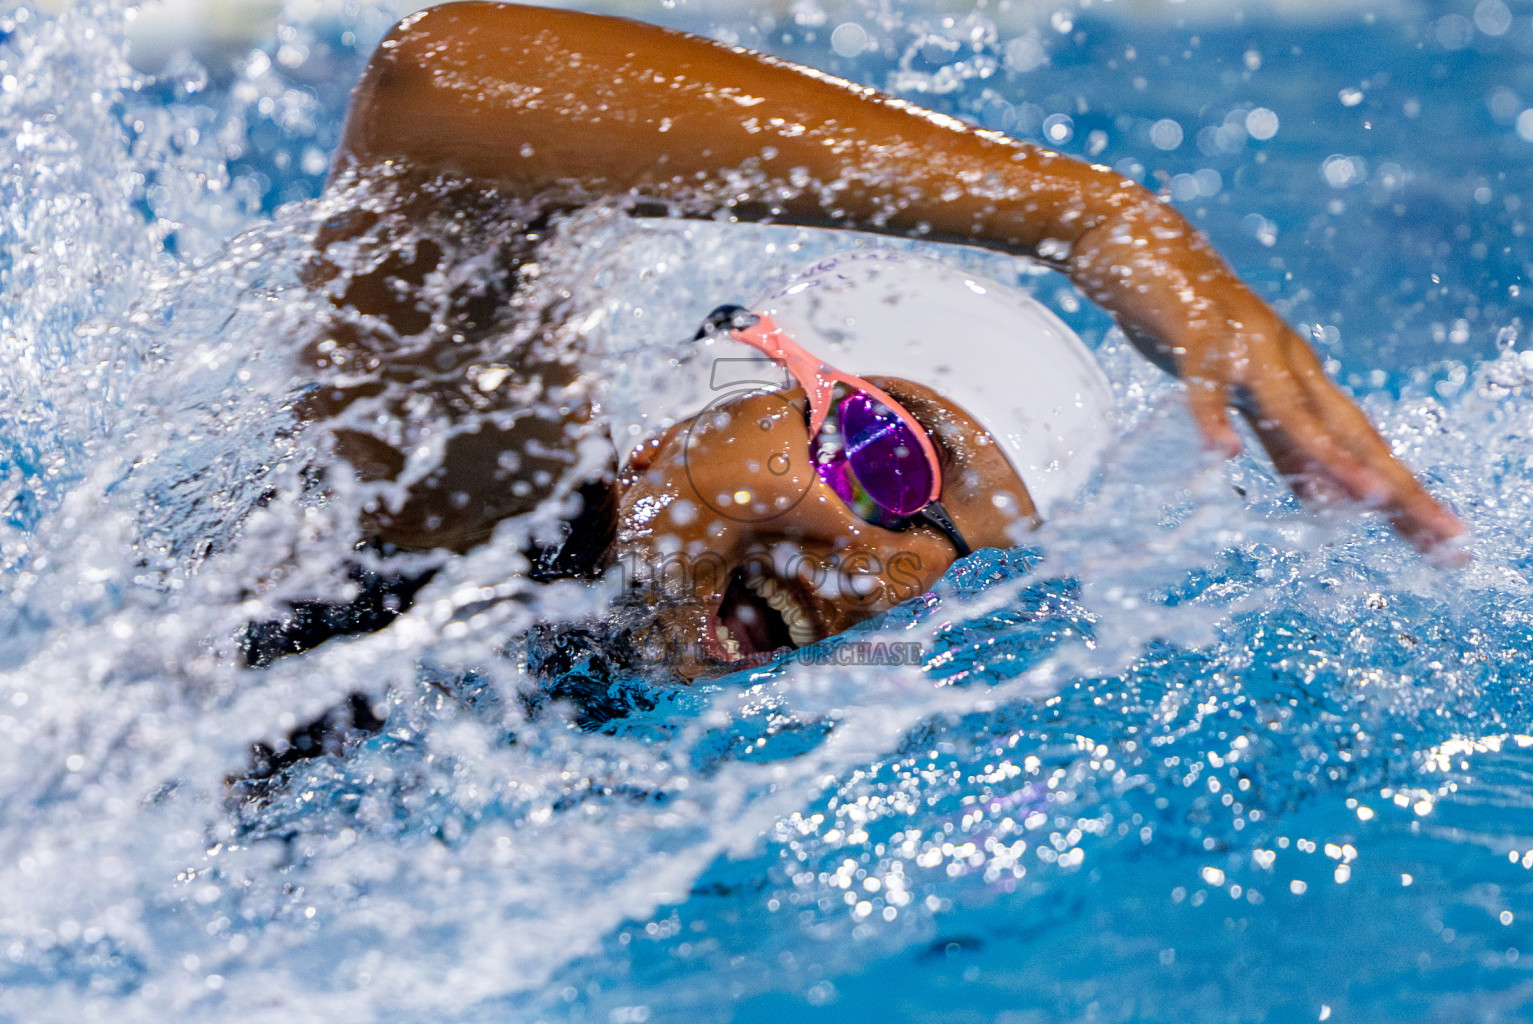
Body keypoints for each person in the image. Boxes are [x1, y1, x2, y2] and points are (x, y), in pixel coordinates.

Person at [254, 0, 1464, 682]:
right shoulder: (489, 531)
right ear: (730, 371)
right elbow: (437, 91)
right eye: (891, 459)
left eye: (959, 564)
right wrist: (1086, 216)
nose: (881, 572)